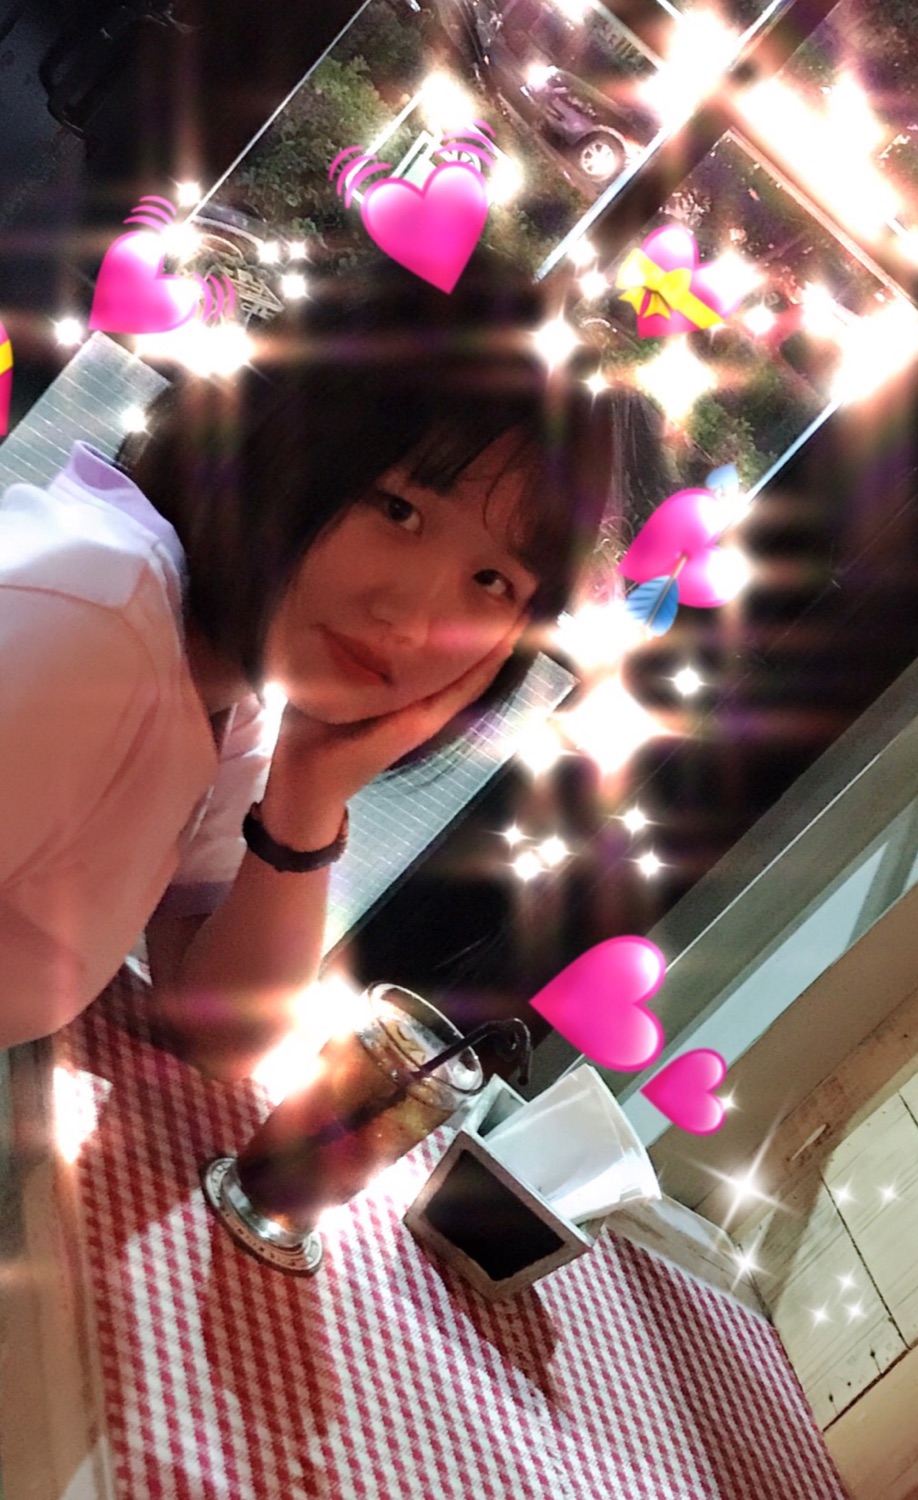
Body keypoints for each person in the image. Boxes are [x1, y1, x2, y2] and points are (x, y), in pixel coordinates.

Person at [0, 255, 617, 1075]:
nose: (412, 621)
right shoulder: (97, 623)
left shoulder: (220, 685)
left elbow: (224, 1029)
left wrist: (309, 795)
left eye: (492, 581)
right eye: (398, 509)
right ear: (287, 437)